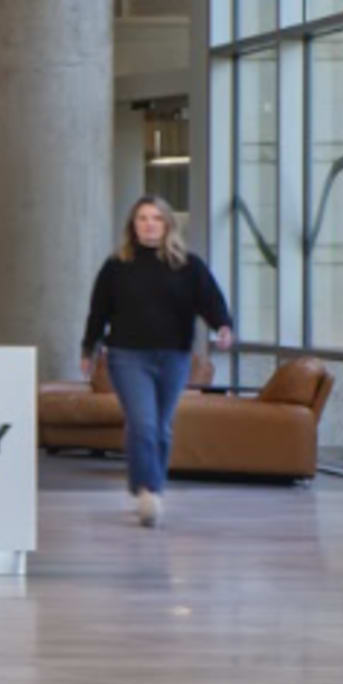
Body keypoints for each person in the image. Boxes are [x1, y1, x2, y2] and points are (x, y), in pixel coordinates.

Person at [83, 197, 233, 527]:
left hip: (174, 356)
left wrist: (223, 326)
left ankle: (154, 489)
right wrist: (88, 349)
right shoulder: (116, 266)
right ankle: (147, 492)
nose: (149, 224)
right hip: (127, 356)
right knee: (144, 424)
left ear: (167, 225)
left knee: (161, 428)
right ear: (132, 226)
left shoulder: (189, 266)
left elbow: (211, 301)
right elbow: (98, 312)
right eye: (142, 218)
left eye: (156, 219)